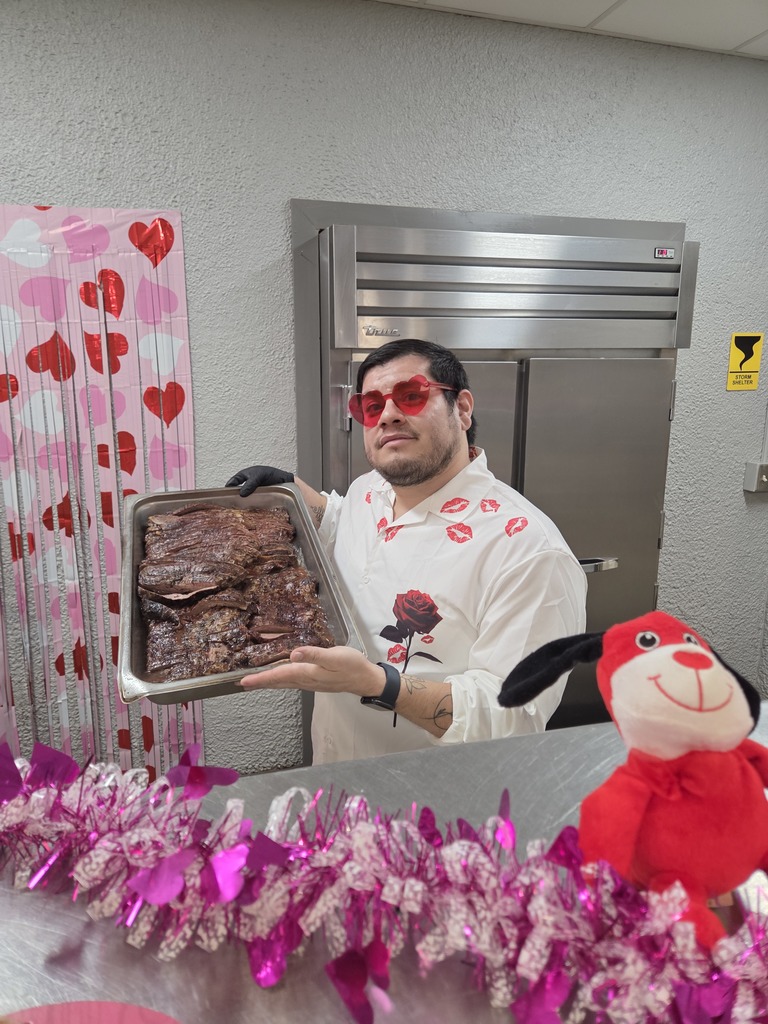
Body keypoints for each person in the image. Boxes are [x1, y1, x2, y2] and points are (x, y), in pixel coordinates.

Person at [226, 339, 587, 763]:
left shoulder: (529, 550)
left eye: (411, 395)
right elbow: (342, 523)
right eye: (371, 406)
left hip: (435, 792)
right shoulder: (370, 490)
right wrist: (292, 488)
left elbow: (513, 713)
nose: (388, 415)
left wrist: (380, 685)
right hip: (333, 771)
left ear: (462, 409)